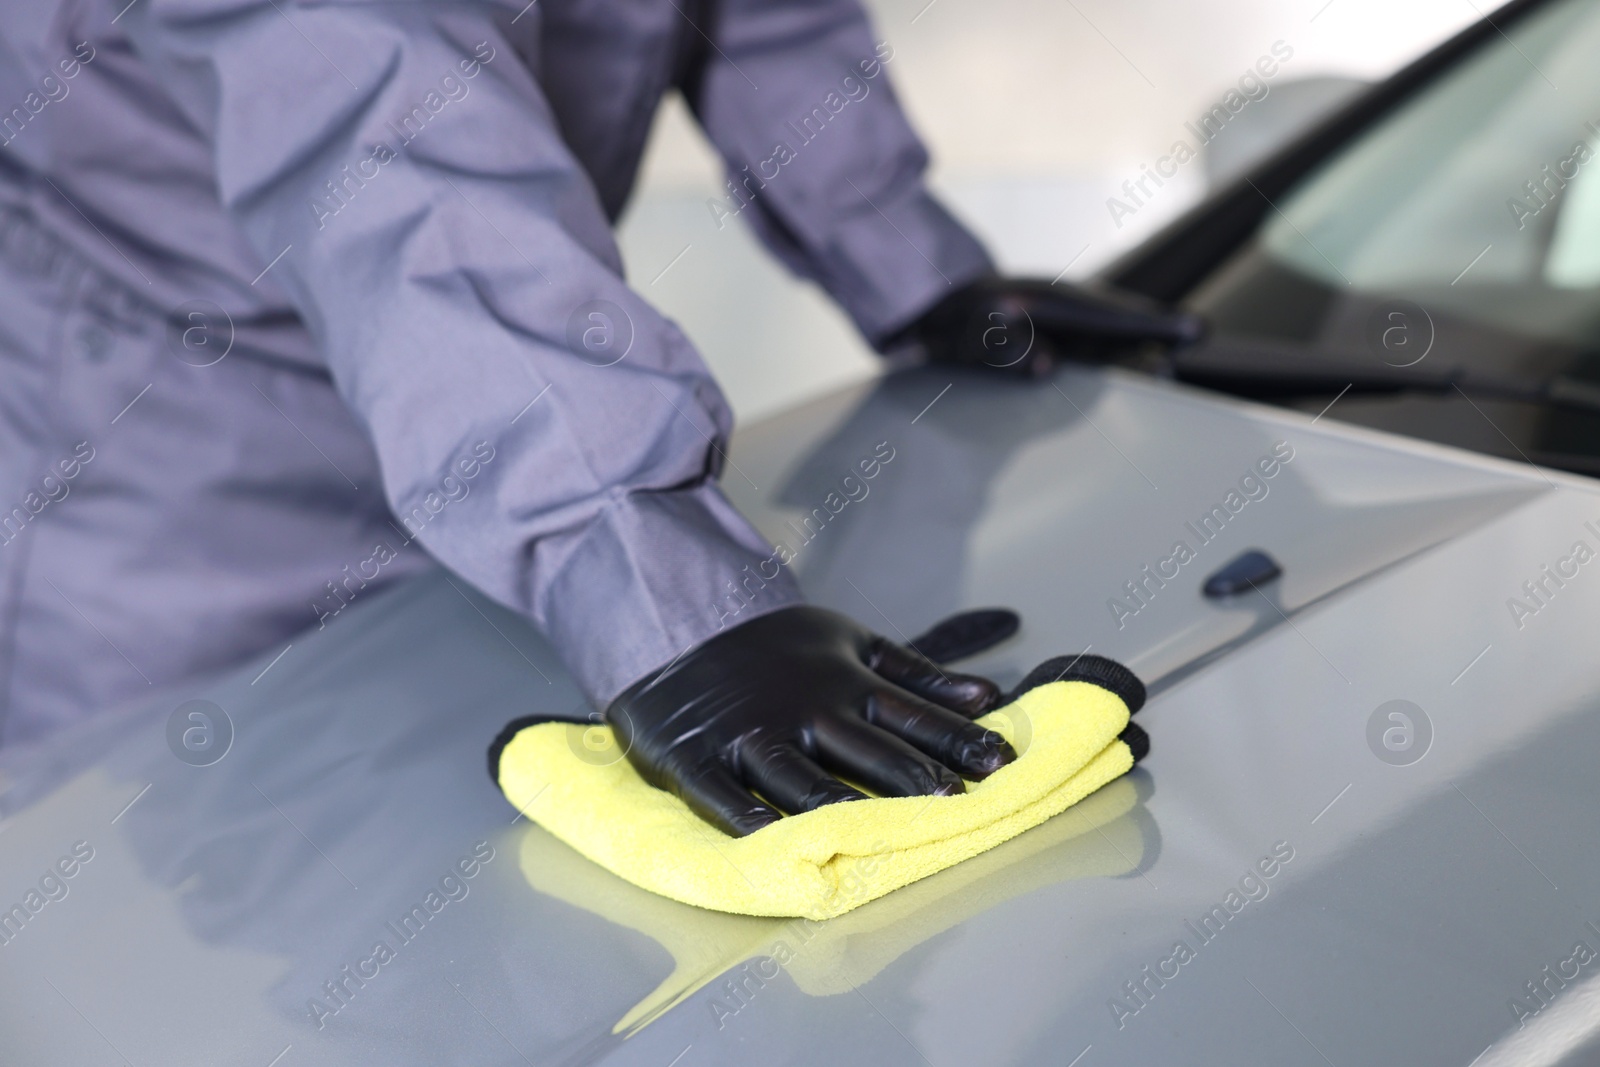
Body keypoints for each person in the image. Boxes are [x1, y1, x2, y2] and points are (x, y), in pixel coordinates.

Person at [0, 0, 1194, 831]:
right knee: (233, 949)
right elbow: (377, 114)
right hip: (183, 468)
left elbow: (753, 16)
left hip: (505, 416)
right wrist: (636, 561)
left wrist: (908, 262)